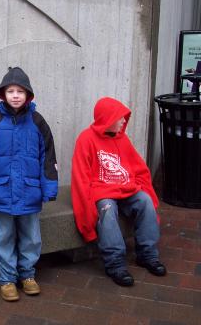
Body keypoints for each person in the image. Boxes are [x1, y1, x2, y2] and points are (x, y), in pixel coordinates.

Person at [0, 67, 58, 301]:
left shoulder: (38, 122)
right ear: (3, 94)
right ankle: (7, 279)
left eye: (21, 91)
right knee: (4, 236)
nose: (16, 95)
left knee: (31, 236)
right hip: (2, 191)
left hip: (30, 191)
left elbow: (48, 157)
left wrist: (49, 186)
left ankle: (27, 275)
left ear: (28, 95)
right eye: (11, 91)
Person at [71, 96, 166, 287]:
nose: (124, 121)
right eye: (119, 117)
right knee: (106, 209)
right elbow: (80, 176)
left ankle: (147, 254)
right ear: (107, 119)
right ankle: (115, 263)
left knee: (145, 201)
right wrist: (87, 208)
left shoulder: (122, 139)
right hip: (102, 191)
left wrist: (140, 185)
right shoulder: (86, 139)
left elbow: (138, 167)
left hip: (125, 188)